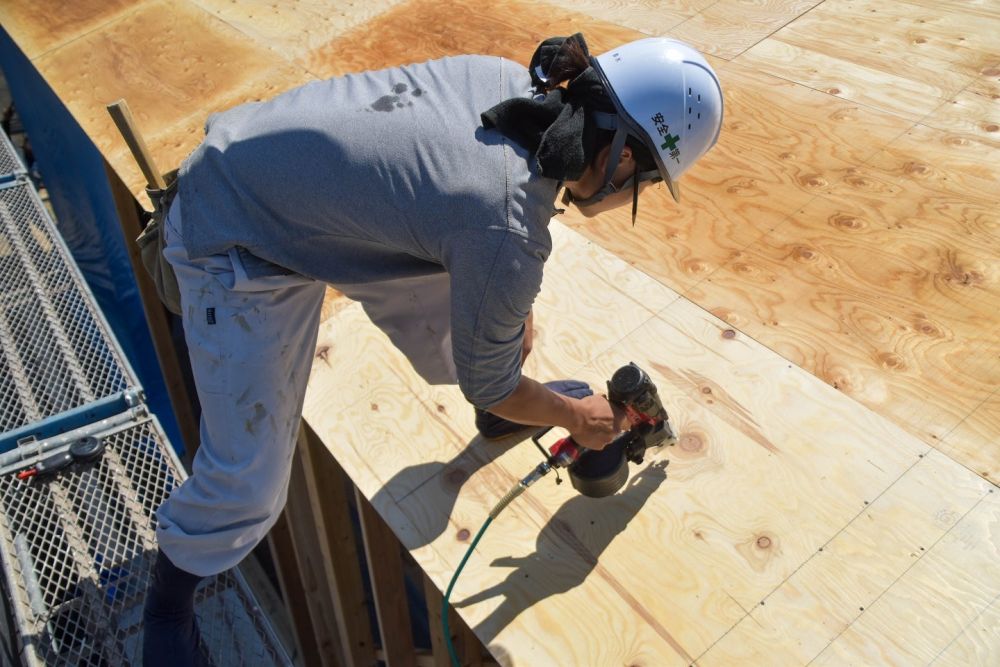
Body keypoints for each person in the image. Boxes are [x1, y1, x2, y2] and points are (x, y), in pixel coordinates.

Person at [142, 33, 723, 665]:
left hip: (265, 171)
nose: (621, 203)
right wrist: (570, 416)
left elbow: (462, 209)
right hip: (230, 238)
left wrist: (507, 333)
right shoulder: (504, 229)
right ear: (619, 158)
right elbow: (492, 263)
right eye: (637, 189)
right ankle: (167, 610)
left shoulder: (510, 85)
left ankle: (502, 403)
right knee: (248, 485)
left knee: (491, 317)